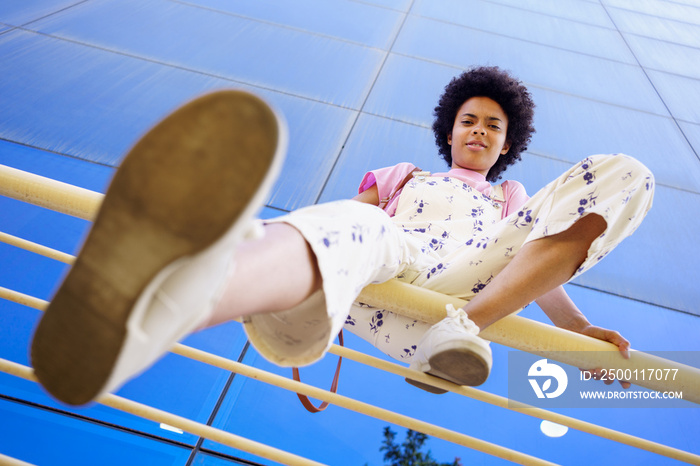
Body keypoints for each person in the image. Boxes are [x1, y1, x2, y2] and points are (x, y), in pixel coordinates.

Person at [31, 67, 654, 406]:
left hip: (464, 298)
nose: (479, 131)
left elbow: (534, 262)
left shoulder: (509, 200)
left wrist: (575, 330)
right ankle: (158, 314)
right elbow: (337, 221)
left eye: (493, 126)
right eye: (469, 120)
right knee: (358, 222)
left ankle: (462, 331)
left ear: (506, 142)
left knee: (627, 172)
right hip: (385, 266)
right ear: (450, 130)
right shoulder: (403, 176)